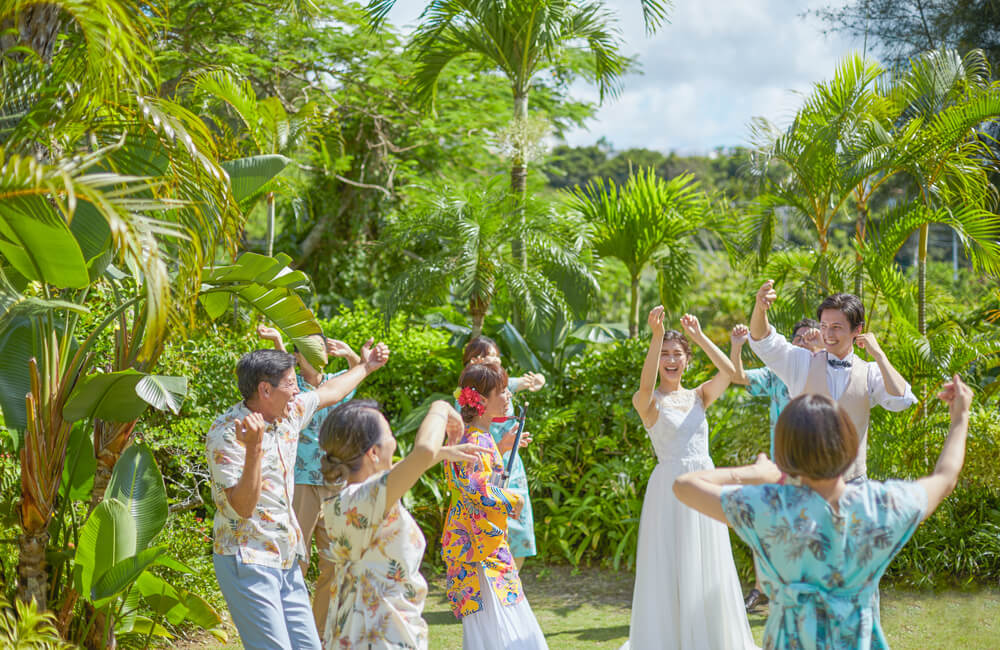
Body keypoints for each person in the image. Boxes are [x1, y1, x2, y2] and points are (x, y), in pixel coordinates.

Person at [673, 376, 973, 650]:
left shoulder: (767, 506)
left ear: (785, 451)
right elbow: (945, 479)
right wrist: (960, 417)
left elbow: (684, 485)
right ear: (848, 444)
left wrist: (754, 472)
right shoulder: (879, 505)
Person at [205, 342, 389, 649]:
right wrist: (254, 449)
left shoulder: (288, 414)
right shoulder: (226, 434)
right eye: (290, 384)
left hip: (286, 555)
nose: (296, 390)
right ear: (265, 390)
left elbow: (331, 391)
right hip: (248, 557)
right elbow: (242, 508)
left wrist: (366, 367)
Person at [622, 307, 756, 650]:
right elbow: (644, 382)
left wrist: (698, 336)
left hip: (706, 486)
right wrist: (656, 336)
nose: (670, 360)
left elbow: (730, 371)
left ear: (687, 360)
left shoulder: (699, 395)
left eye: (676, 354)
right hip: (669, 491)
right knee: (669, 566)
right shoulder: (648, 402)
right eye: (665, 354)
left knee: (707, 564)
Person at [318, 399, 489, 649]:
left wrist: (440, 454)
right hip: (381, 634)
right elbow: (422, 452)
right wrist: (440, 407)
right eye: (389, 434)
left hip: (352, 632)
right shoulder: (369, 498)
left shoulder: (341, 501)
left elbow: (407, 468)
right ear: (373, 453)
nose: (393, 441)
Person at [748, 283, 917, 482]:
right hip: (806, 483)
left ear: (858, 329)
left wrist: (879, 356)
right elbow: (763, 341)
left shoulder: (869, 372)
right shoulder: (802, 363)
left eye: (836, 328)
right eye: (824, 327)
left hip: (854, 484)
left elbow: (901, 400)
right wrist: (760, 308)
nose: (828, 334)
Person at [257, 325, 365, 630]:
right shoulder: (293, 391)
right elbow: (280, 370)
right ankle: (286, 628)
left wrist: (350, 354)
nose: (316, 355)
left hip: (335, 483)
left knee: (333, 563)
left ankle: (317, 634)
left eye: (320, 349)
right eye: (307, 350)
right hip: (303, 482)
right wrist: (278, 341)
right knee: (296, 560)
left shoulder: (334, 384)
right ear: (296, 357)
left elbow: (360, 371)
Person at [442, 361, 548, 650]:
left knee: (495, 617)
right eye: (501, 391)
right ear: (481, 400)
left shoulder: (476, 437)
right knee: (497, 615)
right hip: (476, 547)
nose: (508, 396)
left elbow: (477, 478)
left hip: (480, 542)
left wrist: (502, 447)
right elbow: (477, 490)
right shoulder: (473, 439)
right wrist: (514, 499)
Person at [730, 318, 822, 612]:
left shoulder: (826, 372)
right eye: (797, 338)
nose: (802, 343)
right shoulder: (775, 375)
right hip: (779, 466)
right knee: (766, 527)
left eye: (808, 338)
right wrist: (736, 347)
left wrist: (818, 350)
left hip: (814, 466)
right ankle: (762, 588)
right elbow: (738, 376)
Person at [459, 335, 545, 569]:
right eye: (490, 356)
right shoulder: (467, 404)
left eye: (497, 355)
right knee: (492, 534)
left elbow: (532, 380)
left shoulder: (498, 385)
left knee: (519, 532)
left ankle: (511, 586)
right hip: (488, 474)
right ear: (474, 360)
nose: (507, 396)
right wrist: (503, 445)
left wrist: (537, 380)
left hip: (511, 468)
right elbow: (470, 457)